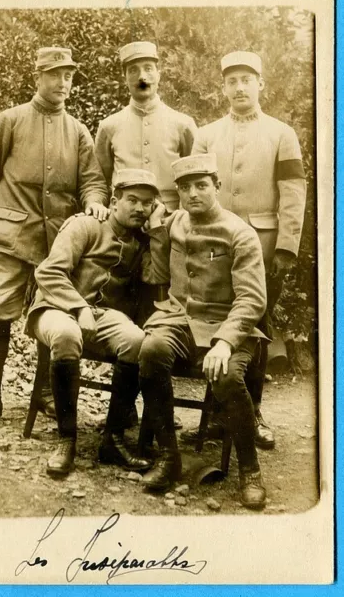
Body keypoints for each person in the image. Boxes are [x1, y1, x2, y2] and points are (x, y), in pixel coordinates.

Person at [0, 47, 109, 428]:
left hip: (56, 243)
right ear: (37, 78)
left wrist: (94, 202)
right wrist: (9, 212)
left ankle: (44, 392)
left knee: (52, 310)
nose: (62, 83)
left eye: (68, 76)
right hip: (13, 238)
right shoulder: (10, 120)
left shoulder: (78, 131)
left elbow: (92, 181)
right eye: (54, 75)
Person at [138, 154, 268, 510]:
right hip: (180, 319)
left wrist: (225, 342)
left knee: (225, 377)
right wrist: (152, 226)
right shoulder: (176, 221)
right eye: (184, 187)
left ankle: (250, 470)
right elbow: (160, 265)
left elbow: (252, 298)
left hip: (228, 324)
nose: (192, 193)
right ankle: (169, 456)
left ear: (217, 187)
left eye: (201, 185)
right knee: (150, 351)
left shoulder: (240, 233)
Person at [191, 51, 307, 449]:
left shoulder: (281, 133)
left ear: (261, 85)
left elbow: (293, 193)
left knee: (256, 329)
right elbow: (193, 191)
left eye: (247, 79)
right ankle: (219, 415)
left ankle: (252, 412)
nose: (240, 87)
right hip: (212, 246)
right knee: (217, 322)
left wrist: (286, 247)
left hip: (263, 245)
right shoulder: (206, 135)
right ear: (222, 87)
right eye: (232, 80)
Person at [26, 169, 165, 477]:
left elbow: (155, 277)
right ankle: (67, 439)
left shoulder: (139, 241)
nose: (140, 208)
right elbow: (49, 273)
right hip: (56, 306)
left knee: (137, 341)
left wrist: (156, 231)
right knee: (65, 334)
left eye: (147, 203)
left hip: (103, 315)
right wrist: (78, 307)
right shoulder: (85, 225)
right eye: (132, 200)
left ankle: (112, 440)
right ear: (114, 202)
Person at [95, 41, 197, 213]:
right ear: (125, 78)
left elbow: (195, 177)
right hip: (124, 222)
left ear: (159, 75)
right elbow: (99, 180)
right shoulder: (109, 126)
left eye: (148, 68)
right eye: (133, 70)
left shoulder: (183, 125)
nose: (142, 77)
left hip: (171, 219)